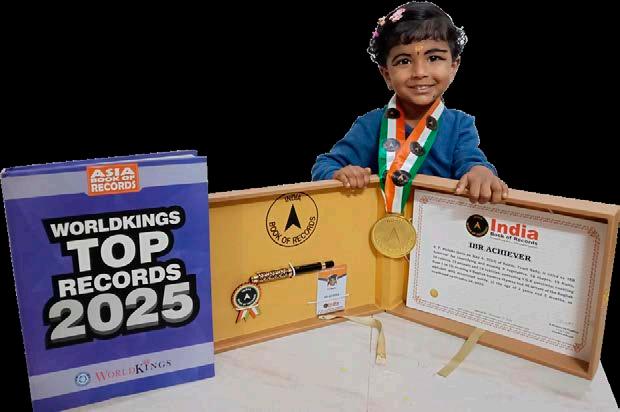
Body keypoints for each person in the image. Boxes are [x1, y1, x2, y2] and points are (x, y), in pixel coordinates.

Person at [311, 2, 508, 204]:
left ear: (453, 67)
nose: (420, 72)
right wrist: (341, 173)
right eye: (404, 61)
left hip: (436, 224)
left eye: (434, 58)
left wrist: (481, 172)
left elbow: (470, 161)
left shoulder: (460, 125)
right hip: (377, 223)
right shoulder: (370, 124)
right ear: (386, 74)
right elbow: (325, 165)